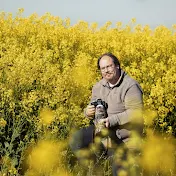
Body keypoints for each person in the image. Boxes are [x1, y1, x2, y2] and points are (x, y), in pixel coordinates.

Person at [70, 53, 144, 176]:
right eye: (103, 68)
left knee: (120, 172)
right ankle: (96, 168)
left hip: (123, 138)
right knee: (76, 139)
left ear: (117, 66)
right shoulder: (98, 86)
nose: (106, 71)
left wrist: (111, 120)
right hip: (102, 133)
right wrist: (87, 112)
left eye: (109, 66)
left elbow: (135, 112)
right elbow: (93, 105)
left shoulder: (130, 86)